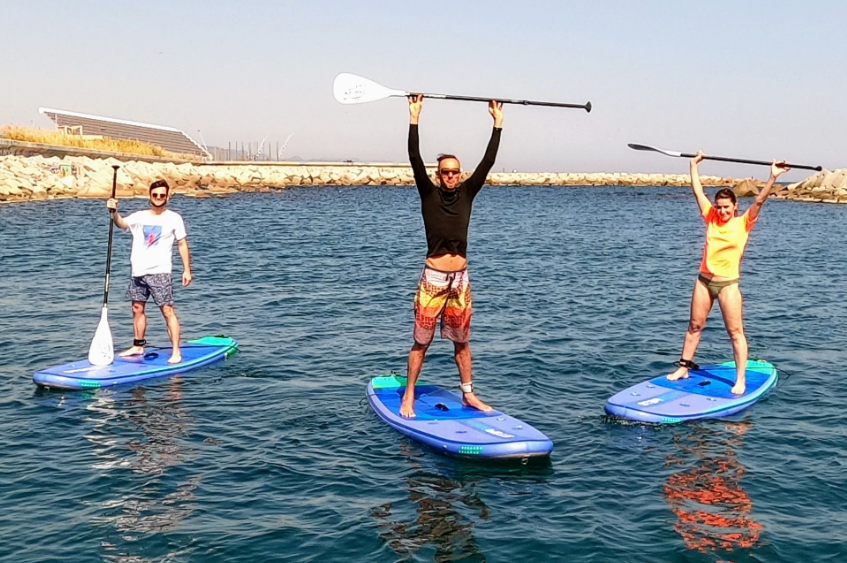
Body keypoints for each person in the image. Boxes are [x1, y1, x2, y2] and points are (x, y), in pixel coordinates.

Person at [401, 94, 503, 418]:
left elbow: (487, 162)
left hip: (460, 280)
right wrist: (414, 117)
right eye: (445, 172)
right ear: (437, 174)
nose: (450, 176)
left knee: (462, 342)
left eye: (455, 172)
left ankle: (469, 395)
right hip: (433, 279)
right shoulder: (428, 193)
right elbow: (414, 156)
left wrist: (497, 124)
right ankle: (409, 396)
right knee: (422, 342)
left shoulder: (468, 192)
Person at [667, 152, 788, 394]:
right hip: (704, 281)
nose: (722, 211)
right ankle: (683, 367)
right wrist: (693, 166)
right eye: (719, 207)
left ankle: (740, 379)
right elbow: (697, 192)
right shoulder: (710, 217)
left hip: (728, 285)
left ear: (735, 207)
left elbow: (760, 201)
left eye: (726, 207)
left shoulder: (743, 223)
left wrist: (772, 177)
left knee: (735, 332)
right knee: (694, 327)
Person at [106, 179, 192, 364]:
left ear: (168, 196)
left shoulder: (174, 218)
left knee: (167, 310)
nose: (158, 198)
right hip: (138, 272)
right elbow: (121, 224)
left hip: (160, 272)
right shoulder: (140, 216)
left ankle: (176, 351)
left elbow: (182, 243)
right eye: (155, 195)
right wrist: (114, 212)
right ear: (150, 196)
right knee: (137, 309)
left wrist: (187, 270)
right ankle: (138, 345)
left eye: (162, 195)